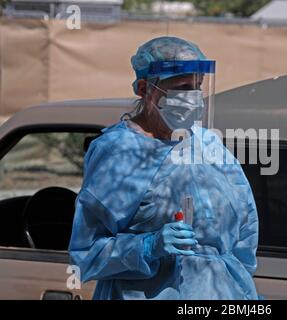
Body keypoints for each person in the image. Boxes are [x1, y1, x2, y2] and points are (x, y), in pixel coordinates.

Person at [68, 36, 260, 300]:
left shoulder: (209, 144)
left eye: (198, 86)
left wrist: (243, 293)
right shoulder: (118, 152)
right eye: (182, 87)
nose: (193, 98)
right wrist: (148, 246)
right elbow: (86, 255)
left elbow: (245, 235)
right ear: (145, 89)